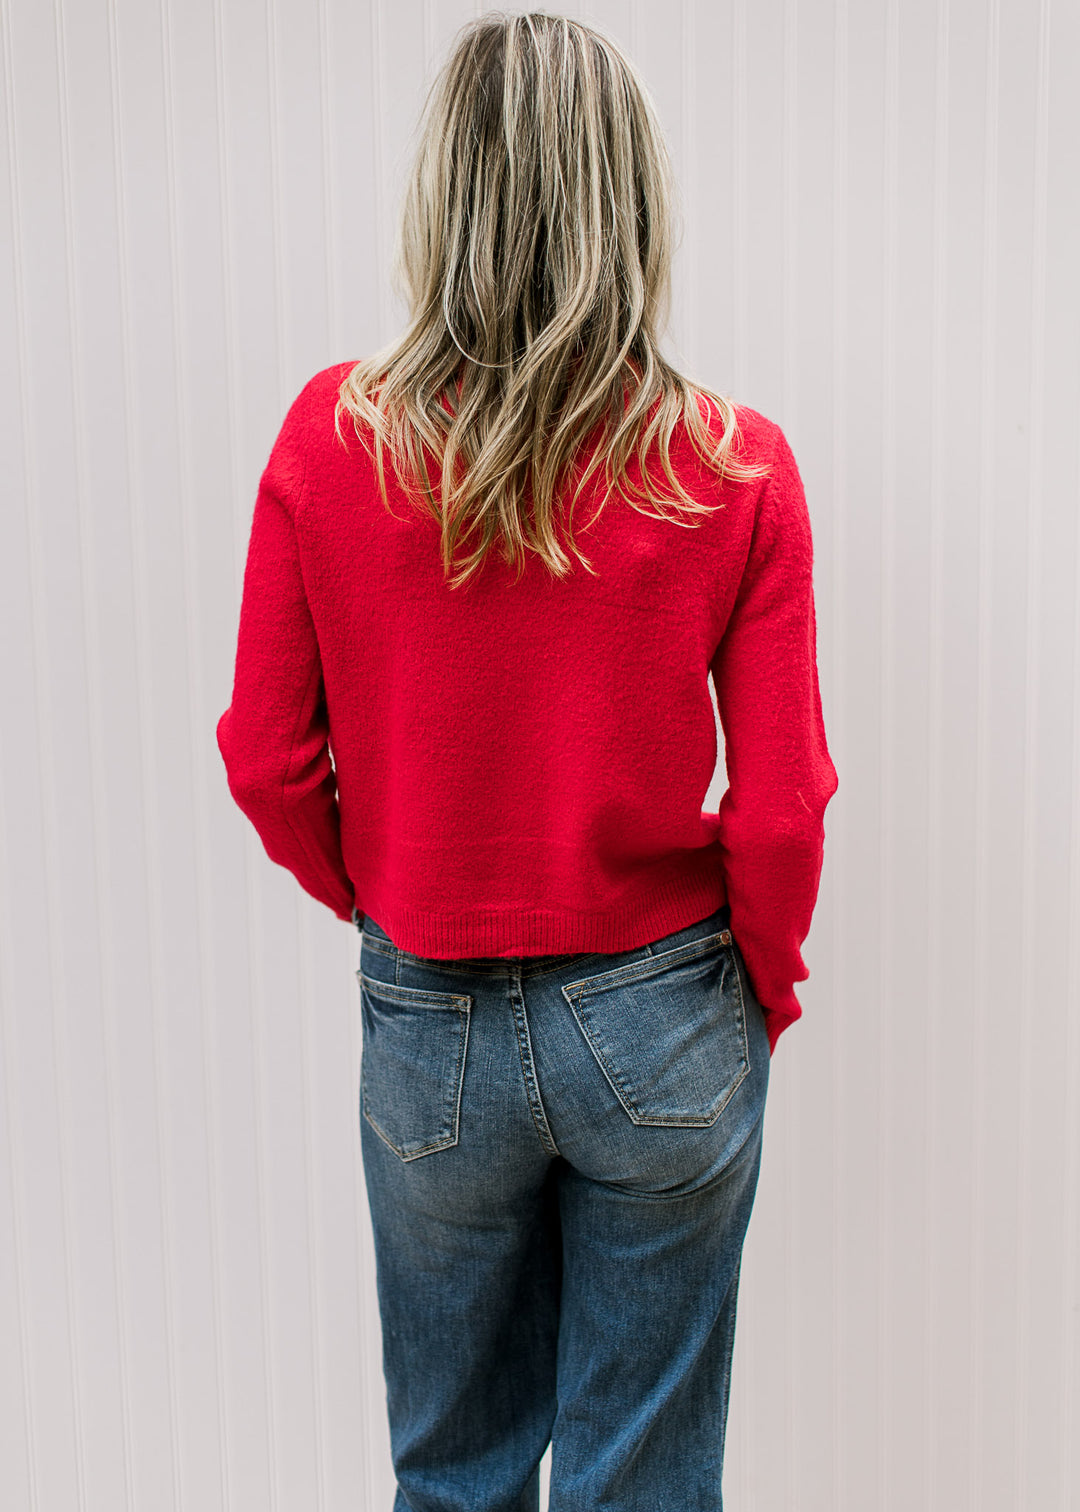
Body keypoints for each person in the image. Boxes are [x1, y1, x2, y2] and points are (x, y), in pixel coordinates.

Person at [216, 10, 838, 1510]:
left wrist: (396, 897)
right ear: (631, 198)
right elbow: (783, 809)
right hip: (665, 1013)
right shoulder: (731, 464)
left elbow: (265, 760)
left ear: (446, 193)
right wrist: (765, 981)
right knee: (645, 1485)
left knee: (451, 1475)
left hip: (427, 1012)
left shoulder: (329, 439)